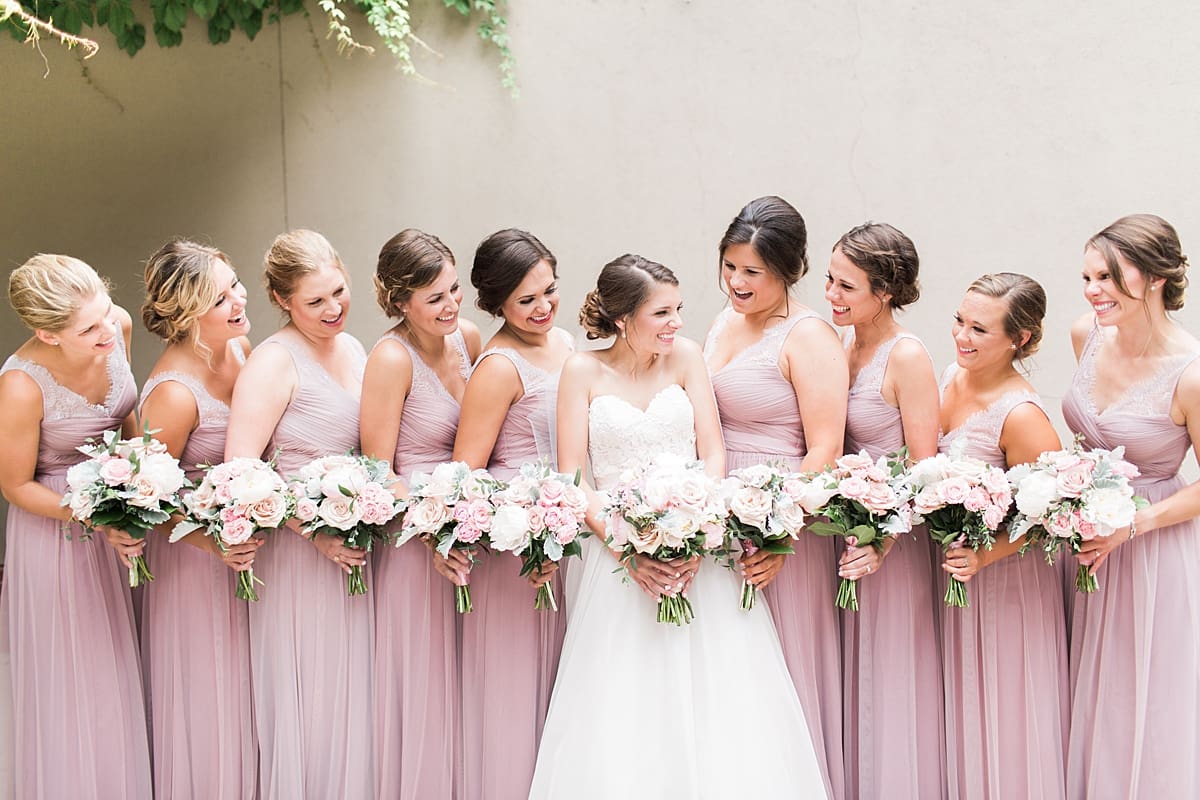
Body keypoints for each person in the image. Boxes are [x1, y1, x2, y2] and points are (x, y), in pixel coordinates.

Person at [528, 254, 827, 799]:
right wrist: (631, 551)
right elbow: (574, 478)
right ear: (622, 319)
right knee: (623, 701)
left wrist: (693, 525)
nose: (677, 323)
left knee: (724, 696)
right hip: (617, 561)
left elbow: (713, 453)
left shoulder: (686, 358)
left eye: (678, 309)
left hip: (699, 553)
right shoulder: (581, 370)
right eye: (661, 312)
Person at [702, 195, 847, 797]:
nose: (736, 282)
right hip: (718, 519)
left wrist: (778, 531)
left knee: (785, 671)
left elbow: (825, 451)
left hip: (781, 525)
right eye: (730, 266)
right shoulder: (722, 321)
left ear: (787, 271)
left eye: (752, 272)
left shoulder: (809, 337)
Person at [224, 229, 373, 799]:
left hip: (354, 540)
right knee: (311, 693)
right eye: (315, 301)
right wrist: (313, 531)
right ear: (283, 300)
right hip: (299, 552)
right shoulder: (272, 362)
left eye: (338, 291)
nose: (333, 309)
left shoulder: (354, 348)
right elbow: (243, 466)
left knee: (353, 691)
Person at [0, 254, 151, 798]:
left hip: (121, 506)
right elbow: (16, 484)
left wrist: (144, 475)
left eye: (106, 313)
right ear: (47, 333)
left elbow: (126, 418)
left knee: (123, 661)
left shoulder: (117, 327)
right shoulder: (20, 385)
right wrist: (97, 515)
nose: (107, 329)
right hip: (57, 528)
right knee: (78, 677)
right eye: (88, 329)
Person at [1063, 214, 1200, 797]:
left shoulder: (1191, 374)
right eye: (1089, 276)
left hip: (1152, 552)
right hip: (1086, 538)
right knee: (1086, 689)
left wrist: (1133, 523)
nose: (1093, 291)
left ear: (1152, 280)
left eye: (1108, 278)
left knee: (1144, 696)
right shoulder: (1084, 336)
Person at [450, 229, 572, 800]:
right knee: (518, 692)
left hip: (573, 536)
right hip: (518, 549)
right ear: (495, 302)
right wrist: (522, 528)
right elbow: (466, 471)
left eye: (549, 290)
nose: (544, 307)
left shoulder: (566, 344)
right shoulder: (498, 367)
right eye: (526, 300)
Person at [825, 222, 945, 799]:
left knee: (889, 683)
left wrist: (882, 542)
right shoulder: (839, 344)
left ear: (886, 291)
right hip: (842, 536)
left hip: (891, 546)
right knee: (847, 680)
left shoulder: (908, 356)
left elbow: (925, 469)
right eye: (829, 280)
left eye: (847, 286)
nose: (832, 295)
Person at [359, 229, 480, 799]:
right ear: (400, 301)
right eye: (434, 298)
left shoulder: (469, 340)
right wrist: (437, 521)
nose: (452, 305)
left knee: (472, 681)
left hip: (474, 533)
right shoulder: (389, 358)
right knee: (426, 685)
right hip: (414, 543)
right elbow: (379, 473)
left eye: (454, 289)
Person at [937, 273, 1066, 799]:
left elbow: (1051, 511)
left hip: (1005, 584)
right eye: (960, 322)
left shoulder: (1022, 416)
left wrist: (985, 557)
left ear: (1021, 339)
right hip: (955, 573)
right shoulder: (951, 376)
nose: (963, 337)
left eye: (980, 330)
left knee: (1004, 711)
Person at [138, 239, 258, 799]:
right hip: (194, 564)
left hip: (245, 552)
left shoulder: (239, 351)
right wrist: (212, 544)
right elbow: (146, 501)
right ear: (186, 316)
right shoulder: (172, 394)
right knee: (211, 698)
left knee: (251, 698)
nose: (238, 301)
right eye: (220, 298)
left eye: (233, 286)